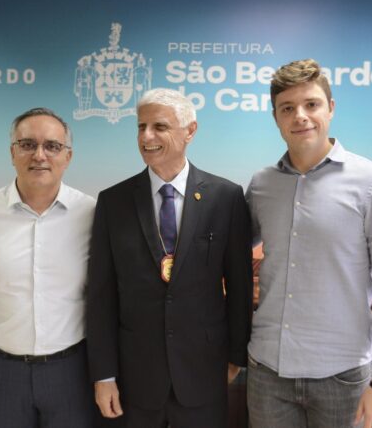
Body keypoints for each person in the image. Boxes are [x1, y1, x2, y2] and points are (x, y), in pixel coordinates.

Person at [245, 59, 372, 428]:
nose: (300, 116)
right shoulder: (261, 185)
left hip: (343, 379)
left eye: (311, 104)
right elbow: (224, 249)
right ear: (275, 117)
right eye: (287, 108)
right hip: (267, 374)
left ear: (331, 108)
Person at [86, 88, 253, 428]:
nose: (146, 136)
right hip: (134, 380)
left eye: (159, 126)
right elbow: (101, 296)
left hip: (204, 374)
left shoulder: (226, 197)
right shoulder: (113, 202)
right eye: (141, 126)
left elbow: (239, 286)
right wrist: (103, 375)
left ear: (189, 131)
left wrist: (236, 357)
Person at [0, 108, 96, 427]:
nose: (39, 155)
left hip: (72, 371)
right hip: (1, 372)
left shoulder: (92, 213)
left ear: (68, 157)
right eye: (27, 144)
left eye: (52, 146)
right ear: (12, 152)